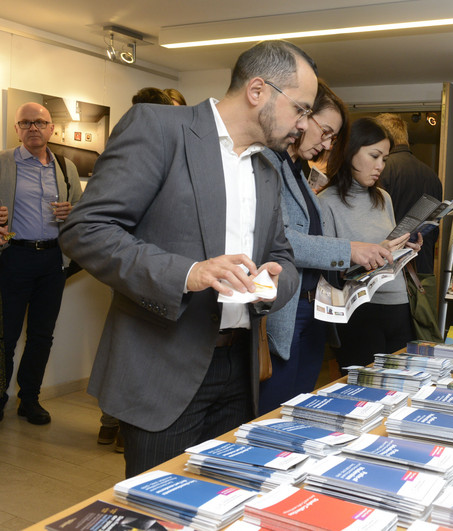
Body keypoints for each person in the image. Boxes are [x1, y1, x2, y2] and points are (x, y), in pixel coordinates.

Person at [58, 40, 311, 477]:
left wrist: (273, 282)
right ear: (258, 91)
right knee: (160, 512)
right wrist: (188, 273)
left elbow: (283, 257)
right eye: (301, 109)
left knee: (220, 503)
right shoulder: (159, 128)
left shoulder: (267, 167)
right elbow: (86, 231)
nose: (304, 126)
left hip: (240, 368)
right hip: (164, 369)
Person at [258, 81, 392, 415]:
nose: (327, 143)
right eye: (326, 132)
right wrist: (350, 250)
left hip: (313, 309)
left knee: (300, 408)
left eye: (334, 137)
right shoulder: (268, 164)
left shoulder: (299, 173)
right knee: (277, 411)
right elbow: (280, 239)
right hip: (289, 309)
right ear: (300, 116)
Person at [97, 86, 185, 451]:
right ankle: (116, 424)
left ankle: (118, 425)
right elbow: (101, 223)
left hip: (160, 267)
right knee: (132, 345)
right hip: (141, 264)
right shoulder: (137, 145)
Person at [0, 102, 83, 424]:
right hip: (13, 258)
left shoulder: (65, 166)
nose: (33, 128)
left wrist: (71, 212)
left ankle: (30, 399)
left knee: (41, 334)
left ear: (51, 129)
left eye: (40, 122)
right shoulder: (4, 162)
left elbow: (81, 209)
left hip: (53, 259)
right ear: (17, 129)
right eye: (26, 123)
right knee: (5, 336)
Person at [317, 117, 421, 369]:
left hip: (399, 305)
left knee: (401, 387)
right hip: (361, 310)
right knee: (363, 392)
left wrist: (404, 248)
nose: (380, 166)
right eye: (374, 156)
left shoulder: (383, 197)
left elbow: (387, 246)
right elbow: (329, 269)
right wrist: (370, 253)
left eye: (384, 159)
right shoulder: (326, 202)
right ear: (350, 151)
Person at [375, 113, 442, 274]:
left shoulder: (379, 170)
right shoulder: (432, 176)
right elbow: (434, 232)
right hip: (422, 267)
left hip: (388, 268)